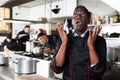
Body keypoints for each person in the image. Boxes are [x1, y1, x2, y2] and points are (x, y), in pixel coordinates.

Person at [50, 5, 107, 80]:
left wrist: (91, 46)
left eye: (82, 14)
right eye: (75, 14)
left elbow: (99, 71)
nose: (78, 16)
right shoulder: (63, 39)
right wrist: (64, 43)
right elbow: (56, 68)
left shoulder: (99, 40)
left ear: (89, 20)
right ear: (73, 20)